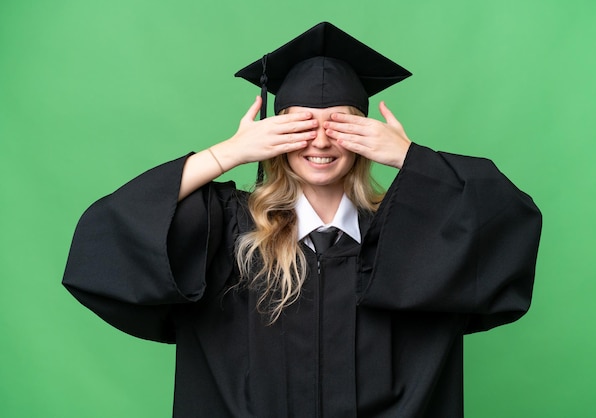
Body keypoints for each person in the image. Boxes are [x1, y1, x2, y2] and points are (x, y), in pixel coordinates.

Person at [63, 22, 542, 417]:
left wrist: (411, 158)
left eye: (339, 123)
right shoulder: (230, 232)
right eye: (300, 125)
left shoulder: (410, 237)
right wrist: (228, 153)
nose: (320, 141)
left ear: (364, 133)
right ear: (275, 134)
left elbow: (508, 224)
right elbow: (108, 236)